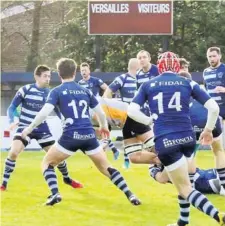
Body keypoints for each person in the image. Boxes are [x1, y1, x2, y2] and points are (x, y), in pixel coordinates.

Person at [21, 58, 141, 206]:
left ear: (59, 74)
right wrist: (103, 126)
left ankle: (55, 194)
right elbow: (101, 113)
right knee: (106, 168)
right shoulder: (85, 91)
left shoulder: (56, 91)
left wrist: (29, 128)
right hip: (89, 134)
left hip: (70, 135)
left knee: (47, 163)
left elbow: (44, 113)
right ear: (75, 72)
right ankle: (131, 194)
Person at [127, 51, 225, 226]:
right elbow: (214, 108)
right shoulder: (188, 81)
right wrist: (208, 130)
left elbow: (131, 111)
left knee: (185, 187)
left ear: (160, 66)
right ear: (177, 67)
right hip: (188, 139)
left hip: (166, 140)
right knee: (184, 181)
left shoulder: (149, 84)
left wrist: (149, 120)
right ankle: (183, 221)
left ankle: (218, 215)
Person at [0, 65, 82, 191]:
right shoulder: (25, 90)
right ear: (37, 76)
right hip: (24, 127)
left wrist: (64, 120)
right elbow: (11, 107)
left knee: (57, 157)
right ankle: (4, 184)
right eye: (45, 76)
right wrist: (13, 120)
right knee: (13, 152)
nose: (48, 79)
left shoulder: (50, 93)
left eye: (49, 76)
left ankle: (67, 178)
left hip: (42, 129)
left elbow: (58, 110)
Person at [103, 58, 157, 168]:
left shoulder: (143, 79)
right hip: (128, 116)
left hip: (138, 117)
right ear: (137, 67)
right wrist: (112, 109)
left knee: (152, 147)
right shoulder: (123, 78)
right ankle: (164, 161)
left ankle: (169, 161)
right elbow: (108, 91)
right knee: (135, 155)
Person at [79, 62, 119, 159]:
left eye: (85, 70)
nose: (84, 72)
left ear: (89, 71)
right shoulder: (79, 83)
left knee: (99, 128)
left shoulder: (96, 80)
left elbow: (107, 88)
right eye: (82, 71)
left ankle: (110, 150)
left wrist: (103, 99)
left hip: (96, 108)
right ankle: (112, 149)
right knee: (96, 132)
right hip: (86, 110)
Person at [203, 46, 225, 150]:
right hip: (213, 111)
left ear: (220, 56)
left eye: (214, 56)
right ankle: (220, 165)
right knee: (217, 141)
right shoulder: (206, 72)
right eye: (209, 56)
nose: (212, 59)